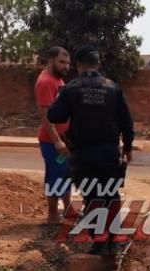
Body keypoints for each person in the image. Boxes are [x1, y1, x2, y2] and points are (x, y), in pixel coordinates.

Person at [48, 45, 134, 256]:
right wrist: (128, 147)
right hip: (109, 152)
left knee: (92, 196)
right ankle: (113, 239)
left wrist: (65, 100)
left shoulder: (70, 88)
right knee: (110, 193)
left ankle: (99, 242)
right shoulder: (113, 87)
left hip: (84, 154)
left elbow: (54, 116)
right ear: (98, 64)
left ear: (78, 65)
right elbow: (126, 121)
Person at [35, 46, 73, 224]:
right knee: (54, 175)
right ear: (51, 60)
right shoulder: (46, 82)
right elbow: (45, 115)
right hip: (52, 142)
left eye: (68, 63)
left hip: (64, 139)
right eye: (62, 62)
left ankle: (67, 208)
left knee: (65, 174)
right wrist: (57, 141)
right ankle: (52, 215)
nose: (66, 66)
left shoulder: (57, 81)